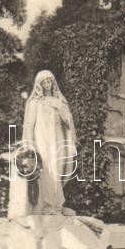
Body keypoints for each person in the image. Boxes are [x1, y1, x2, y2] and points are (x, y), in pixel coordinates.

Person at [21, 70, 76, 215]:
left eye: (49, 81)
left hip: (57, 142)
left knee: (56, 172)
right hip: (41, 142)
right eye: (44, 82)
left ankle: (56, 205)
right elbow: (29, 125)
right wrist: (29, 145)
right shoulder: (35, 103)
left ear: (53, 82)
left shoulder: (59, 102)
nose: (47, 84)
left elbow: (68, 122)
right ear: (39, 85)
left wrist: (64, 111)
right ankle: (44, 205)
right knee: (44, 172)